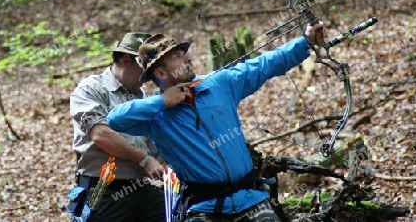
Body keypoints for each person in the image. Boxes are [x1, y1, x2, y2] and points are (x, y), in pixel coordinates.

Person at [106, 23, 324, 222]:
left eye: (183, 54)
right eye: (176, 58)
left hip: (251, 199)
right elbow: (115, 119)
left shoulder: (219, 83)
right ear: (161, 72)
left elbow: (264, 65)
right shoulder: (156, 116)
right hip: (203, 208)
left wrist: (305, 41)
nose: (187, 59)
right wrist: (162, 102)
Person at [69, 32, 165, 222]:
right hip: (104, 191)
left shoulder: (143, 98)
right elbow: (100, 134)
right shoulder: (91, 88)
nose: (148, 76)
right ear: (126, 59)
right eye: (144, 68)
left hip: (142, 189)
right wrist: (144, 160)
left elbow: (152, 144)